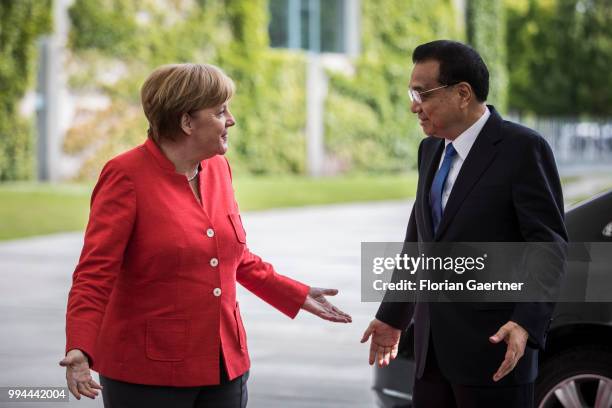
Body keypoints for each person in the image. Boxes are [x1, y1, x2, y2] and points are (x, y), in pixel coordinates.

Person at [59, 63, 352, 408]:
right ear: (186, 122)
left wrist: (295, 293)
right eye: (220, 111)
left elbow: (232, 254)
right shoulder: (126, 176)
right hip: (148, 373)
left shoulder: (217, 168)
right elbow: (95, 273)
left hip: (224, 364)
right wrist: (79, 347)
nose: (231, 120)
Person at [361, 40, 567, 408]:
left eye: (422, 93)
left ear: (462, 93)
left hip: (496, 355)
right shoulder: (430, 150)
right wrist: (393, 317)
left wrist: (525, 323)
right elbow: (420, 242)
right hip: (431, 356)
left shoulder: (523, 149)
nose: (414, 106)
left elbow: (548, 246)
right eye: (412, 93)